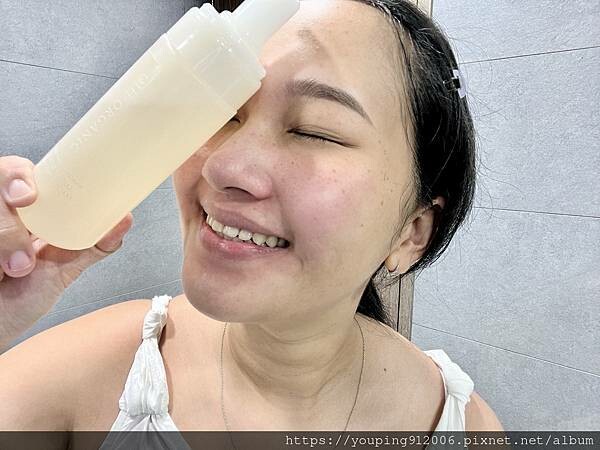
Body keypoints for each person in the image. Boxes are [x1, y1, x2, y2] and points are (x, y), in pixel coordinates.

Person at [0, 0, 504, 442]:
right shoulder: (76, 381)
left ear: (413, 231)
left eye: (314, 131)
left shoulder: (462, 426)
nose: (222, 168)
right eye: (222, 113)